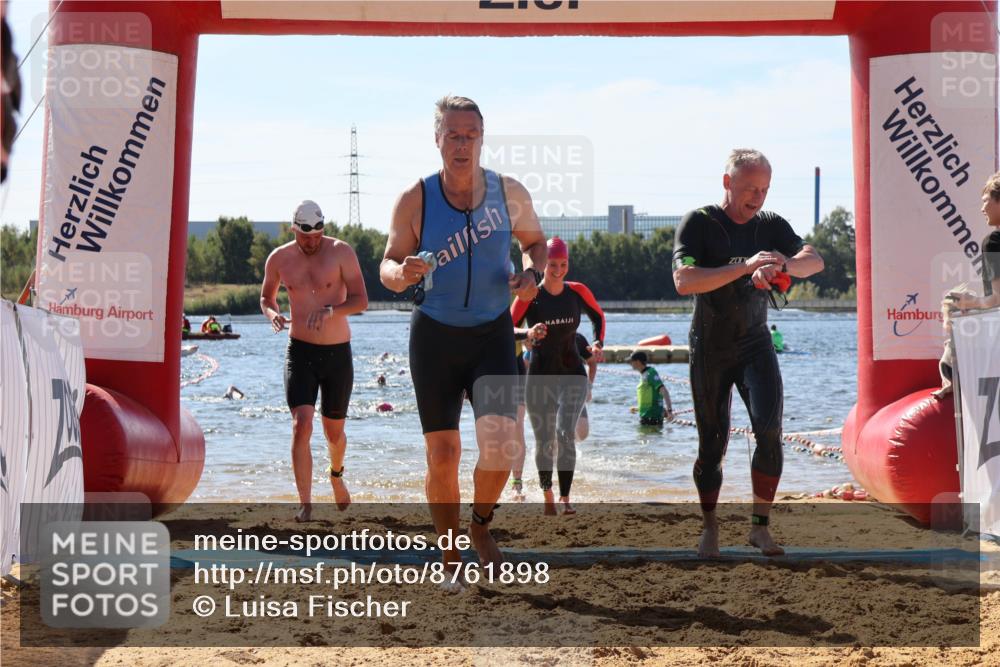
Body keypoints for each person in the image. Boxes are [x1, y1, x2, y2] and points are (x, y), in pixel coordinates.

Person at [379, 96, 546, 573]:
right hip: (434, 336)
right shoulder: (417, 198)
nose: (462, 144)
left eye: (471, 135)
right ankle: (449, 548)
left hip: (492, 331)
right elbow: (387, 266)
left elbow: (535, 243)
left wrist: (532, 273)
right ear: (437, 139)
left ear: (481, 138)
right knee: (444, 453)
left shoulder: (508, 193)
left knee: (502, 442)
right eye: (453, 135)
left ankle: (480, 524)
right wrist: (402, 273)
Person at [672, 148, 824, 558]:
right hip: (710, 346)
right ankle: (709, 525)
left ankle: (760, 527)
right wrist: (744, 267)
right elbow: (684, 281)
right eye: (749, 188)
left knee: (769, 430)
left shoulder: (769, 225)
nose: (757, 198)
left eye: (764, 189)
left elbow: (815, 261)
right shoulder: (700, 223)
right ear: (727, 183)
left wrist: (782, 264)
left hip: (755, 343)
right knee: (712, 443)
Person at [261, 199, 369, 522]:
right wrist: (272, 314)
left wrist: (332, 311)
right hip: (301, 352)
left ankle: (336, 475)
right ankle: (305, 503)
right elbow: (266, 297)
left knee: (334, 434)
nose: (312, 242)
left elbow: (361, 299)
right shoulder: (279, 258)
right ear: (294, 229)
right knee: (301, 425)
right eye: (305, 237)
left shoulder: (340, 252)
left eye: (317, 235)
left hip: (337, 354)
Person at [512, 237, 605, 516]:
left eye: (563, 264)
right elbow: (506, 327)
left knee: (565, 433)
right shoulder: (530, 296)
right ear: (543, 266)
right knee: (545, 440)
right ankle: (548, 493)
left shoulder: (577, 292)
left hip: (573, 375)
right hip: (539, 376)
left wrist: (598, 343)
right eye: (552, 264)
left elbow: (598, 316)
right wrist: (527, 334)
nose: (558, 270)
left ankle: (565, 498)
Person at [949, 171, 1000, 312]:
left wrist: (970, 302)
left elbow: (998, 299)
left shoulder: (994, 241)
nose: (982, 208)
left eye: (985, 201)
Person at [510, 322, 547, 502]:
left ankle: (517, 484)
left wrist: (529, 338)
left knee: (517, 426)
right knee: (493, 430)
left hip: (516, 367)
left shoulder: (520, 299)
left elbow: (528, 340)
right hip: (487, 363)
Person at [628, 350, 673, 427]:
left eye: (631, 361)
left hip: (652, 418)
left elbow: (664, 391)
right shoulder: (644, 374)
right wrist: (638, 408)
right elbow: (650, 398)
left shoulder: (650, 373)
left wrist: (669, 411)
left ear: (638, 362)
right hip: (646, 417)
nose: (630, 363)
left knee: (647, 437)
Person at [574, 332, 599, 442]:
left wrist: (589, 386)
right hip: (550, 388)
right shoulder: (544, 335)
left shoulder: (578, 338)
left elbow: (592, 362)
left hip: (575, 389)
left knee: (582, 432)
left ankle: (566, 448)